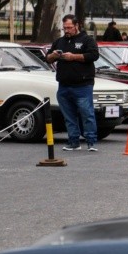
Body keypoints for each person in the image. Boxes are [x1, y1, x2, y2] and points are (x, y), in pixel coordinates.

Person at [46, 14, 100, 151]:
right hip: (64, 85)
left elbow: (94, 55)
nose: (67, 30)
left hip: (82, 85)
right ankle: (73, 141)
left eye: (69, 27)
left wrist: (73, 57)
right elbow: (48, 58)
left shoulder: (87, 40)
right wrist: (54, 55)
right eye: (65, 28)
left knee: (87, 114)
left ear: (77, 26)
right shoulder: (59, 41)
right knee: (69, 116)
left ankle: (91, 141)